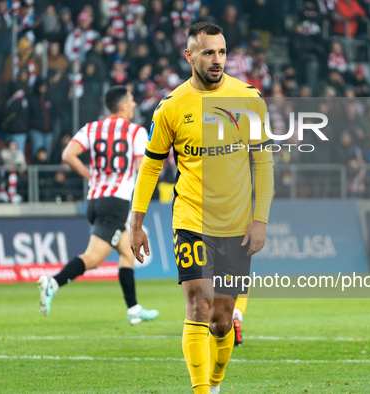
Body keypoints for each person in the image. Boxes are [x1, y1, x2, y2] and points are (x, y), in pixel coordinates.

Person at [129, 22, 274, 394]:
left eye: (222, 52)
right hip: (191, 220)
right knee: (198, 305)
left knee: (222, 321)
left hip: (237, 226)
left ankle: (215, 383)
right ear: (189, 55)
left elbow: (263, 162)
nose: (217, 60)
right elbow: (150, 165)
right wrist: (137, 221)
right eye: (208, 52)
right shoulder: (172, 108)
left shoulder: (248, 98)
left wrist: (260, 220)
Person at [36, 85, 159, 325]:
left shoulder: (92, 128)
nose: (134, 104)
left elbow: (68, 155)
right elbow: (143, 168)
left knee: (126, 251)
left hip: (95, 200)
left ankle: (133, 308)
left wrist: (90, 175)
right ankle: (53, 283)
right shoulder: (136, 132)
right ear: (123, 106)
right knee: (93, 259)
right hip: (117, 203)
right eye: (132, 100)